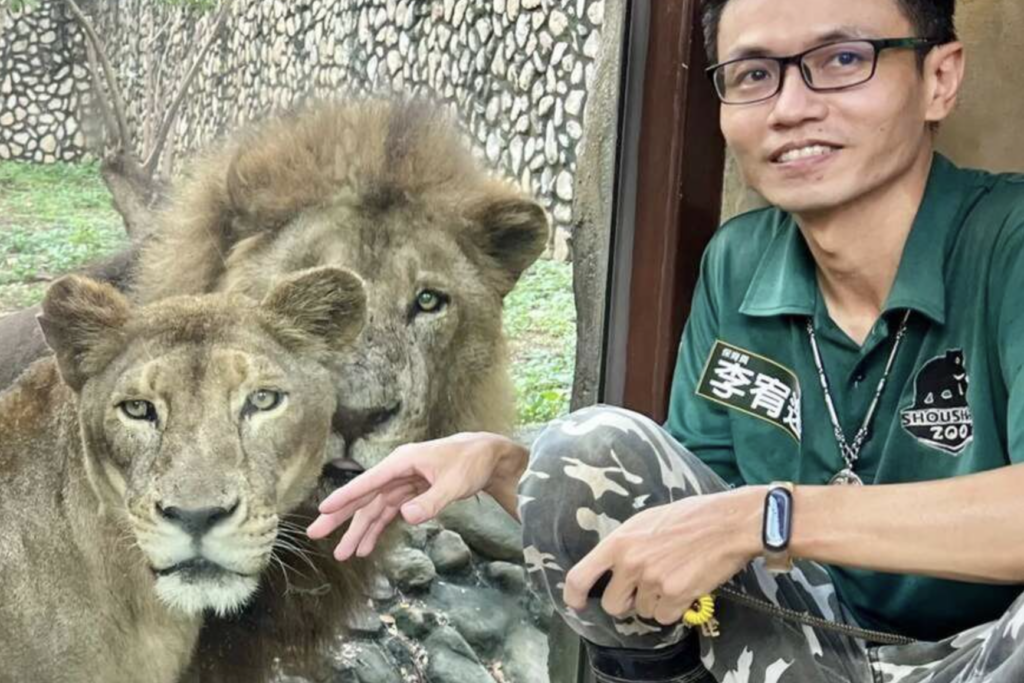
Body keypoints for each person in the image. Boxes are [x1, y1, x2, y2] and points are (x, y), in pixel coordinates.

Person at [308, 0, 1024, 680]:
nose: (791, 106)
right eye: (753, 74)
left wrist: (767, 516)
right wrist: (505, 465)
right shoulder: (738, 263)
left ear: (939, 79)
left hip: (991, 654)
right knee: (586, 448)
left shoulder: (1008, 245)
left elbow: (737, 522)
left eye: (841, 58)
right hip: (796, 650)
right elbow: (674, 530)